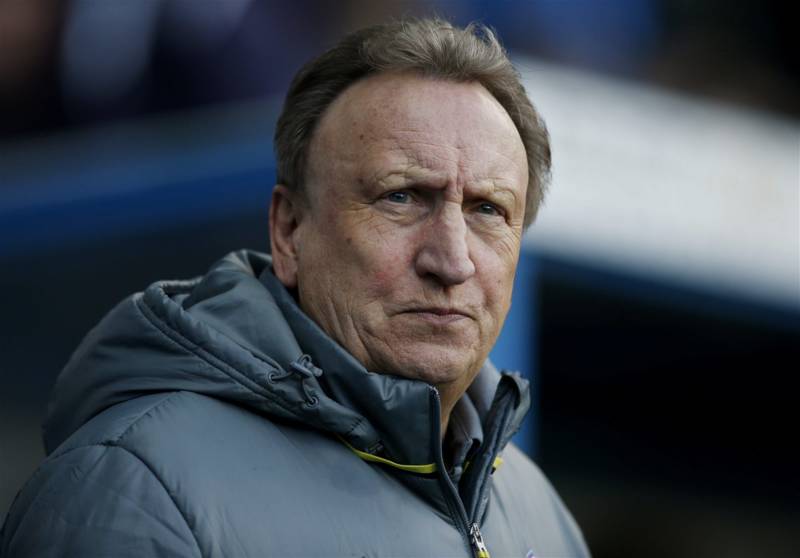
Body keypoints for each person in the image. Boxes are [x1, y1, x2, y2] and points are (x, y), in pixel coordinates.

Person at [0, 18, 589, 558]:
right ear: (289, 231)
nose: (453, 261)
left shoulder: (541, 517)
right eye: (402, 197)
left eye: (488, 210)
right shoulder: (134, 492)